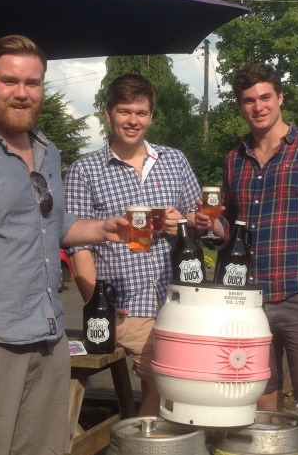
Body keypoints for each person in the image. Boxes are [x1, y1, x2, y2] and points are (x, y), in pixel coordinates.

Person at [0, 35, 129, 455]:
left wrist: (104, 229)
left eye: (32, 83)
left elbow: (47, 224)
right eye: (9, 80)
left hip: (47, 339)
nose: (21, 92)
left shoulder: (46, 150)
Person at [195, 63, 298, 455]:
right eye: (249, 100)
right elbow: (231, 233)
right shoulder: (235, 159)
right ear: (240, 106)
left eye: (265, 97)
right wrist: (209, 224)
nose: (258, 106)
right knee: (263, 405)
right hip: (246, 302)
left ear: (280, 98)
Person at [63, 73, 202, 416]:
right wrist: (100, 306)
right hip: (127, 306)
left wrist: (182, 223)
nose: (133, 120)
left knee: (184, 381)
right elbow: (77, 245)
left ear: (151, 116)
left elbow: (199, 221)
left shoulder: (174, 161)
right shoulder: (86, 170)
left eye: (141, 113)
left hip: (178, 299)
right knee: (169, 379)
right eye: (125, 111)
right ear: (108, 113)